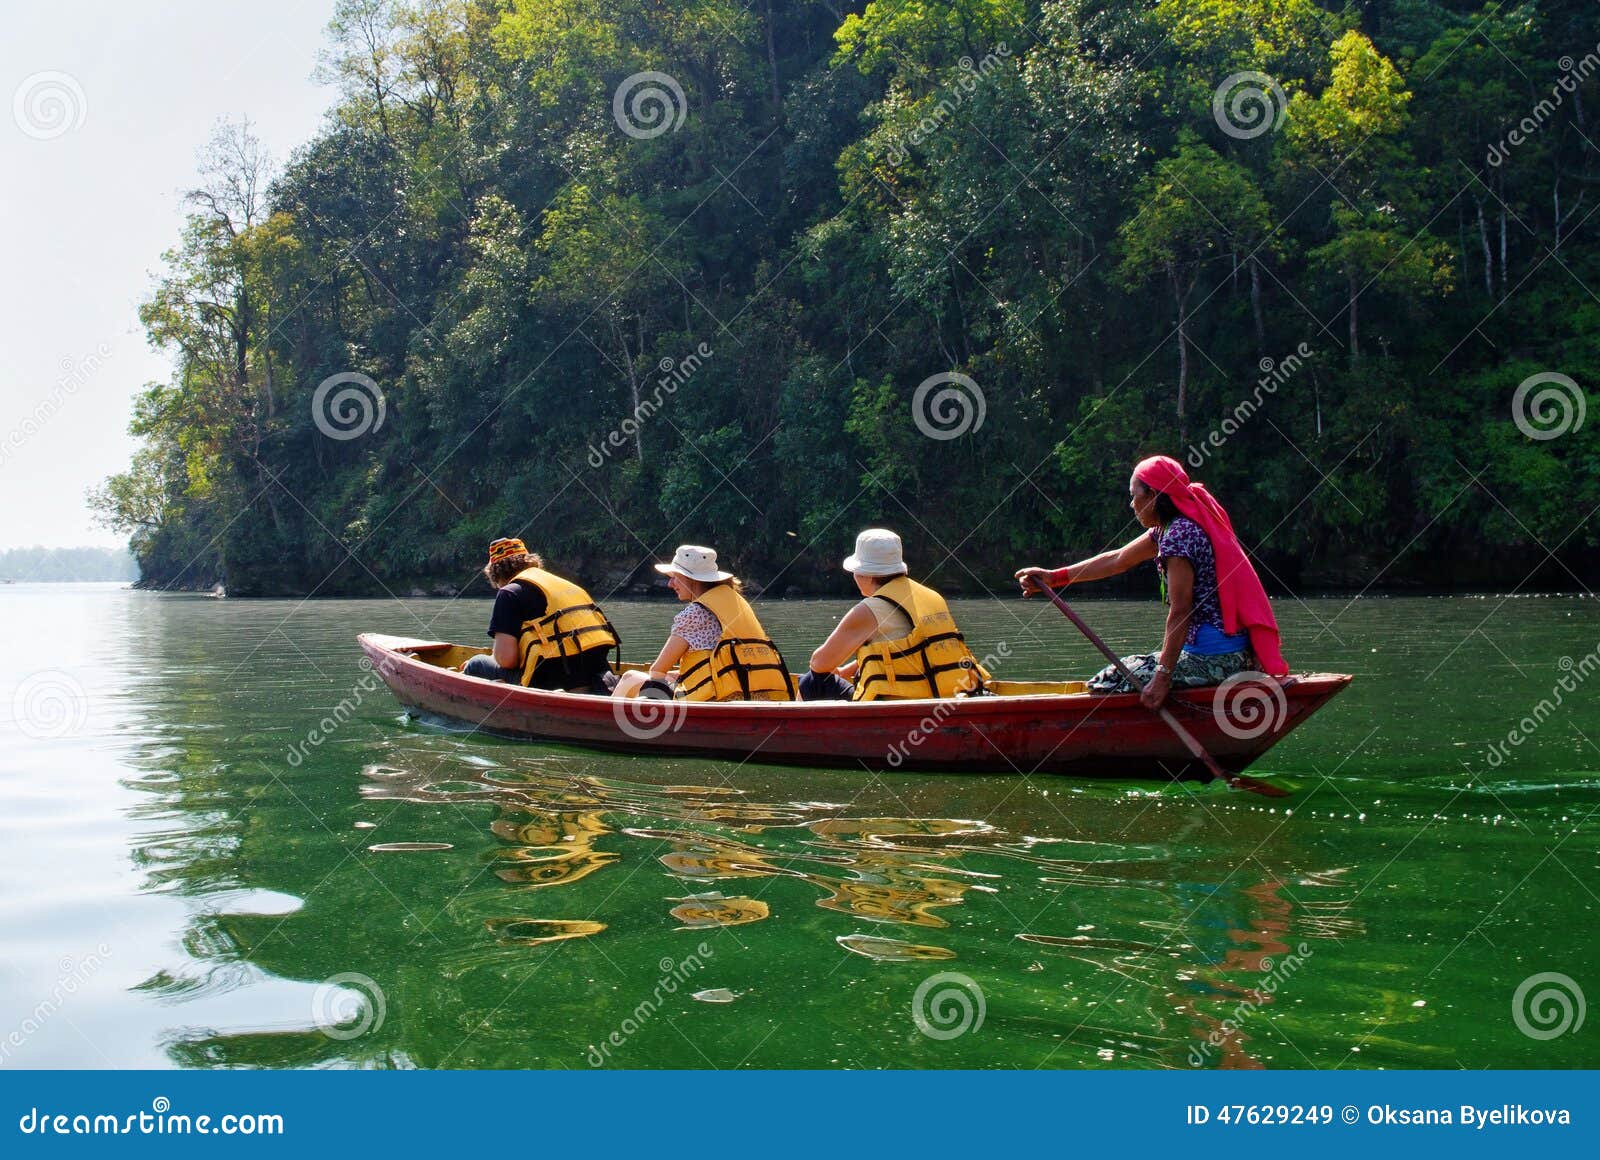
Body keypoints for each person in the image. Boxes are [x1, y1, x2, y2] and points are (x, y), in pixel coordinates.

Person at [1014, 455, 1288, 709]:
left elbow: (1181, 611)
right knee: (1126, 668)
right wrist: (1054, 577)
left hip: (1217, 660)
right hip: (1223, 655)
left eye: (1135, 496)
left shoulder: (1179, 537)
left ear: (1154, 496)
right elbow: (1117, 559)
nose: (1132, 505)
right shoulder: (1174, 525)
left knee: (1107, 682)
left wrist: (1162, 678)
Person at [801, 528, 989, 701]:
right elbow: (907, 652)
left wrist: (831, 668)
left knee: (811, 681)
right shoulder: (930, 596)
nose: (854, 576)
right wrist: (845, 671)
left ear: (866, 574)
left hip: (901, 700)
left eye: (856, 571)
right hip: (949, 694)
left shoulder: (868, 610)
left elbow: (819, 663)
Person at [612, 545, 791, 702]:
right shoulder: (735, 602)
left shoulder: (694, 614)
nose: (670, 583)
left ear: (692, 579)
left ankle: (612, 730)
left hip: (718, 698)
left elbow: (657, 671)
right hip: (759, 692)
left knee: (630, 677)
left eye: (675, 576)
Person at [461, 538, 618, 694]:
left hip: (548, 683)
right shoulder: (569, 586)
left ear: (495, 573)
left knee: (476, 663)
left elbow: (506, 660)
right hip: (599, 677)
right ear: (531, 562)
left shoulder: (509, 593)